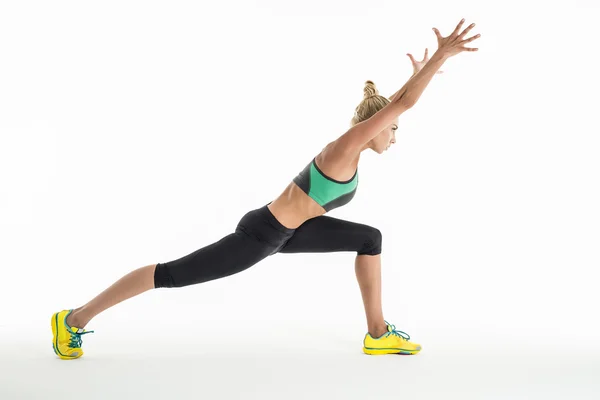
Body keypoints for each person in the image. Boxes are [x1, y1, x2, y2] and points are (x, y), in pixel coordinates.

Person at [51, 18, 480, 359]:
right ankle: (73, 319)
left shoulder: (355, 152)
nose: (395, 136)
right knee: (172, 275)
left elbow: (397, 103)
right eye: (392, 130)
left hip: (289, 233)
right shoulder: (343, 149)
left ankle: (378, 334)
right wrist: (440, 56)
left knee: (370, 239)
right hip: (261, 234)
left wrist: (421, 74)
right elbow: (401, 105)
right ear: (373, 130)